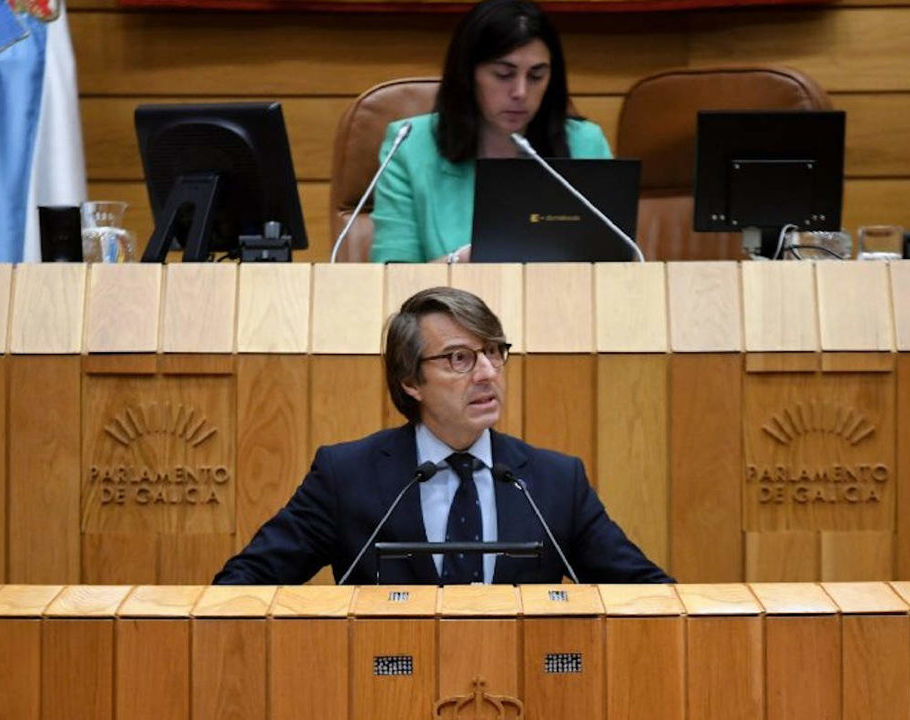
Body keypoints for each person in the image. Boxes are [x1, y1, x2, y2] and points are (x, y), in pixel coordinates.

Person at [214, 287, 670, 585]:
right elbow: (245, 586)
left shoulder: (554, 481)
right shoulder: (346, 475)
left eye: (493, 352)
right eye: (459, 359)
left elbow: (647, 594)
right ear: (411, 380)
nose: (488, 373)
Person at [368, 0, 612, 264]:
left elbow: (617, 261)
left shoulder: (585, 144)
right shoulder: (410, 145)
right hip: (451, 303)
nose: (520, 92)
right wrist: (461, 261)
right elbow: (393, 276)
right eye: (503, 74)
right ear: (467, 74)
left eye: (536, 76)